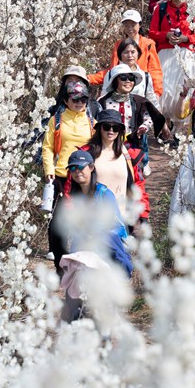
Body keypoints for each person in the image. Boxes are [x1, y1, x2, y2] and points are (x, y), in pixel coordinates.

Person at [52, 150, 133, 321]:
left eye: (81, 167)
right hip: (80, 252)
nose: (77, 171)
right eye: (72, 168)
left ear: (91, 167)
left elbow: (119, 228)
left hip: (103, 251)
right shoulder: (74, 197)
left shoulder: (104, 194)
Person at [42, 75, 96, 258]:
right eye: (75, 99)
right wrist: (49, 170)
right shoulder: (56, 120)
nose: (80, 103)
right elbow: (48, 147)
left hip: (84, 175)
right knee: (59, 214)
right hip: (61, 173)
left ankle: (81, 247)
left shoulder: (91, 121)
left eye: (83, 99)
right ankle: (55, 249)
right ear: (66, 100)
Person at [80, 109, 151, 226]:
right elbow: (74, 186)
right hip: (94, 220)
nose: (111, 131)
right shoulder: (86, 154)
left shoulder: (128, 155)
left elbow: (138, 184)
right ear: (99, 128)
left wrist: (143, 214)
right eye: (107, 126)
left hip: (123, 219)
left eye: (116, 128)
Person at [99, 64, 168, 174]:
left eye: (131, 78)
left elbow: (148, 117)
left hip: (131, 145)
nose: (128, 81)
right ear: (115, 81)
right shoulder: (103, 102)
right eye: (123, 78)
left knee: (133, 177)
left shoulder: (138, 101)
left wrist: (144, 127)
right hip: (107, 146)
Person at [149, 0, 195, 123]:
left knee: (183, 89)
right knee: (164, 89)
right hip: (166, 53)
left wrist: (185, 38)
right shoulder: (161, 9)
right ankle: (163, 123)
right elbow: (152, 33)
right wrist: (166, 35)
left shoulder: (193, 11)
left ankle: (180, 124)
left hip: (185, 54)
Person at [87, 10, 163, 97]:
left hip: (140, 89)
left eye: (133, 25)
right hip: (121, 88)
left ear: (140, 25)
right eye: (126, 25)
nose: (129, 28)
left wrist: (157, 92)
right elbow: (113, 70)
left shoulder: (148, 44)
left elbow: (155, 70)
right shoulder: (119, 44)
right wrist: (90, 78)